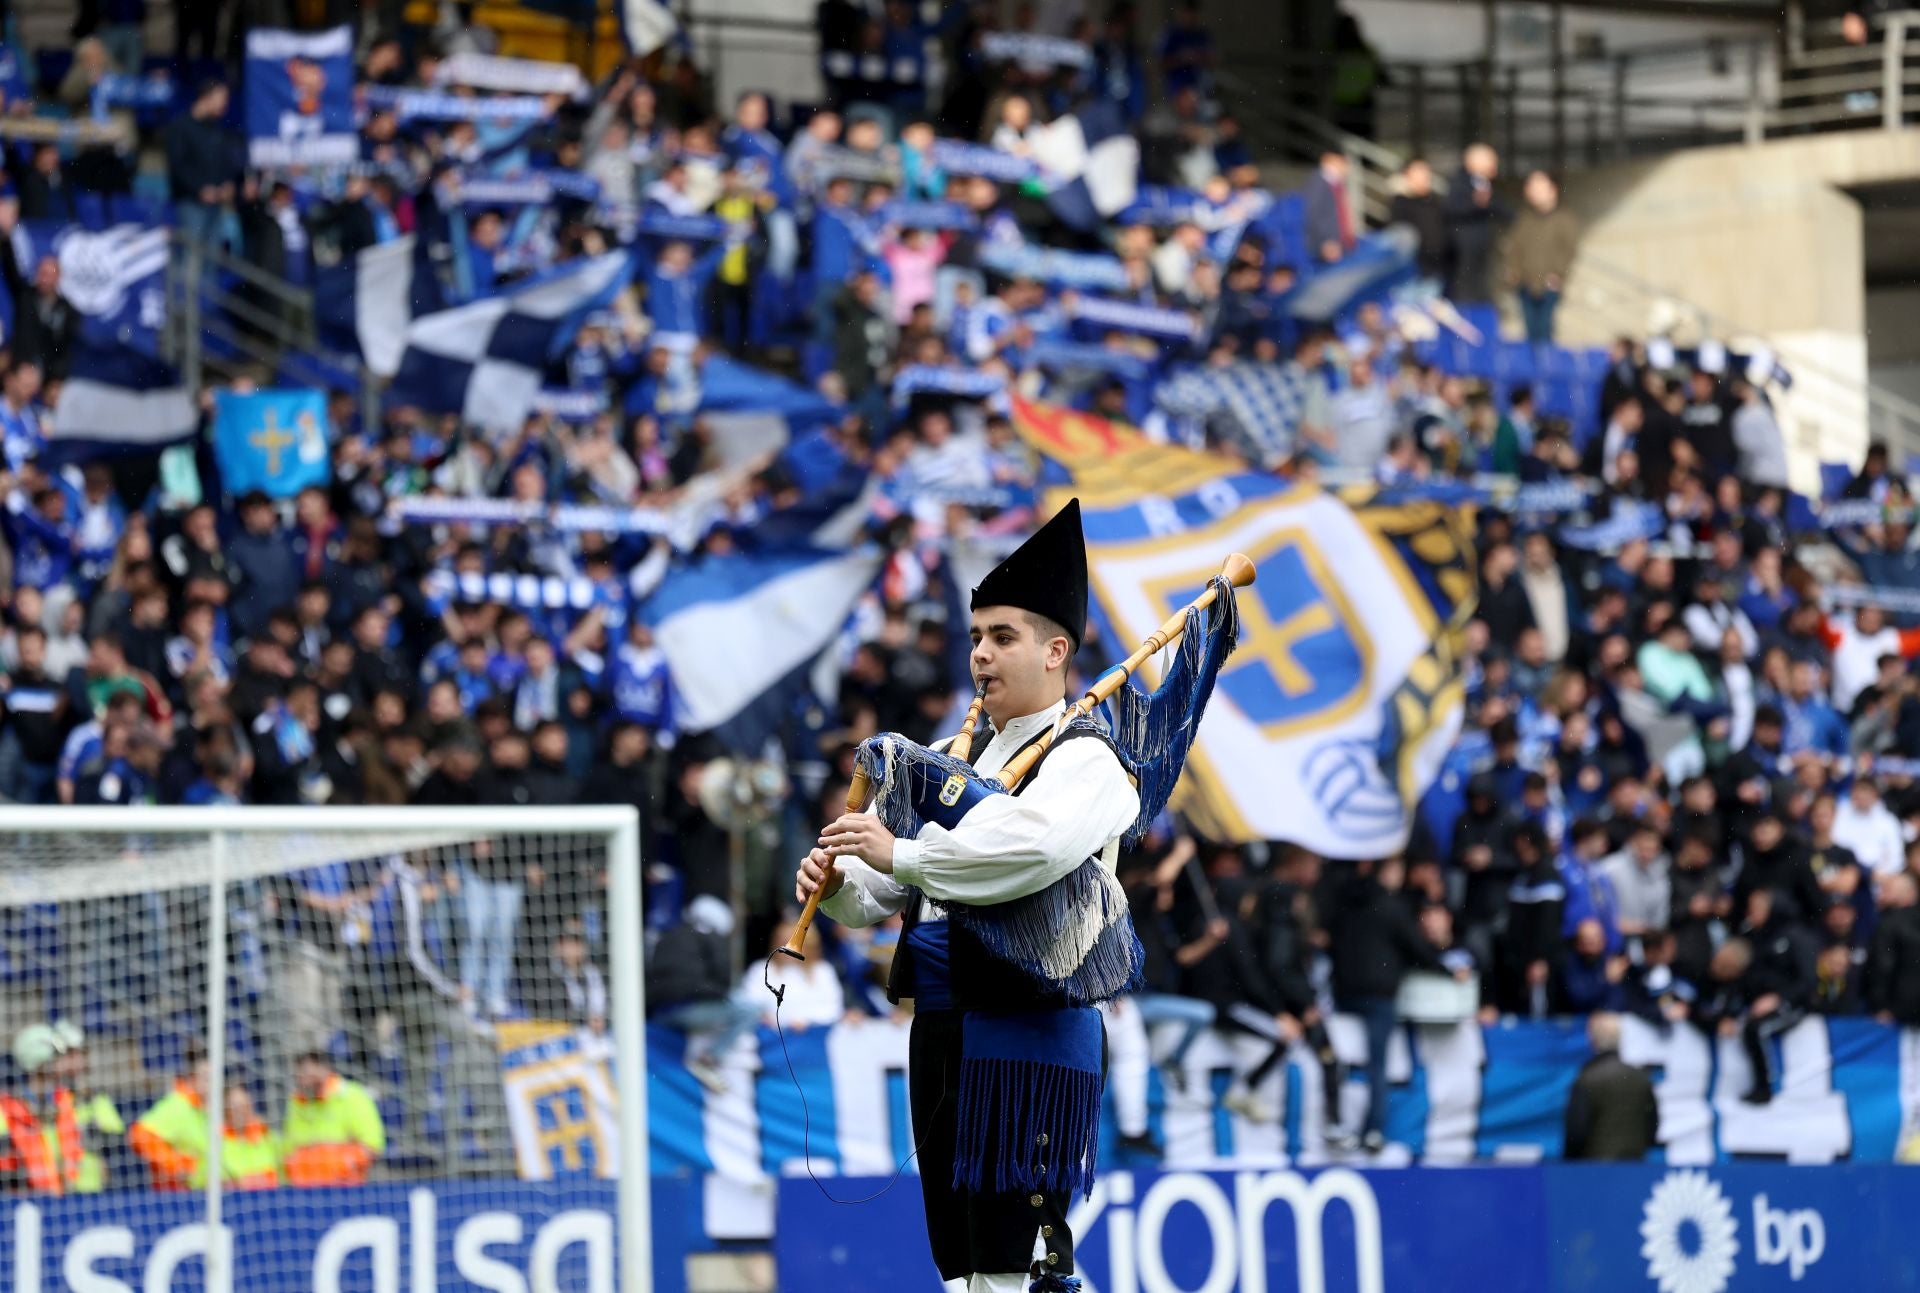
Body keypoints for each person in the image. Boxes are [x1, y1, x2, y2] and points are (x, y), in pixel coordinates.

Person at [799, 500, 1141, 1293]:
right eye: (977, 638)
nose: (981, 656)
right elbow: (882, 892)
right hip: (944, 1029)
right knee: (963, 1272)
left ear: (1058, 650)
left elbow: (1028, 850)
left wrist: (904, 849)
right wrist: (838, 880)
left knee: (1018, 1271)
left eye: (1004, 637)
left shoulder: (1087, 758)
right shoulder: (957, 758)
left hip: (1028, 1039)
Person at [0, 1021, 124, 1194]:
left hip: (73, 1196)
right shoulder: (8, 1107)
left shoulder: (65, 1101)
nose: (62, 1062)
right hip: (25, 1201)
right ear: (39, 1061)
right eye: (57, 1056)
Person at [1562, 1012, 1657, 1160]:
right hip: (1635, 1164)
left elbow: (1576, 1132)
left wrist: (1571, 1163)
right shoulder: (1640, 1077)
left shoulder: (1587, 1078)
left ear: (1593, 1040)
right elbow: (1652, 1128)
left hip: (1595, 1168)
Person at [282, 1051, 386, 1187]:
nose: (303, 1080)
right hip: (306, 1190)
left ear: (325, 1068)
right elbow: (290, 1150)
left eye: (307, 1073)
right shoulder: (297, 1103)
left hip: (346, 1187)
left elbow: (372, 1145)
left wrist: (339, 1162)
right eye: (300, 1075)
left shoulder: (352, 1095)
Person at [1504, 171, 1578, 343]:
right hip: (1525, 283)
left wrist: (1558, 274)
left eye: (1539, 187)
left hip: (1549, 285)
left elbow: (1569, 251)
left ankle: (1547, 368)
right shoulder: (1524, 220)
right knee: (1530, 332)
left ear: (1552, 190)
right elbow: (1514, 249)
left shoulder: (1564, 219)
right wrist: (1514, 272)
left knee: (1545, 330)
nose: (1534, 192)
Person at [130, 1042, 211, 1190]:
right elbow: (139, 1134)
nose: (211, 1084)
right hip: (180, 1196)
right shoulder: (177, 1105)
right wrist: (177, 1165)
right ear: (192, 1078)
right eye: (206, 1078)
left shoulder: (211, 1109)